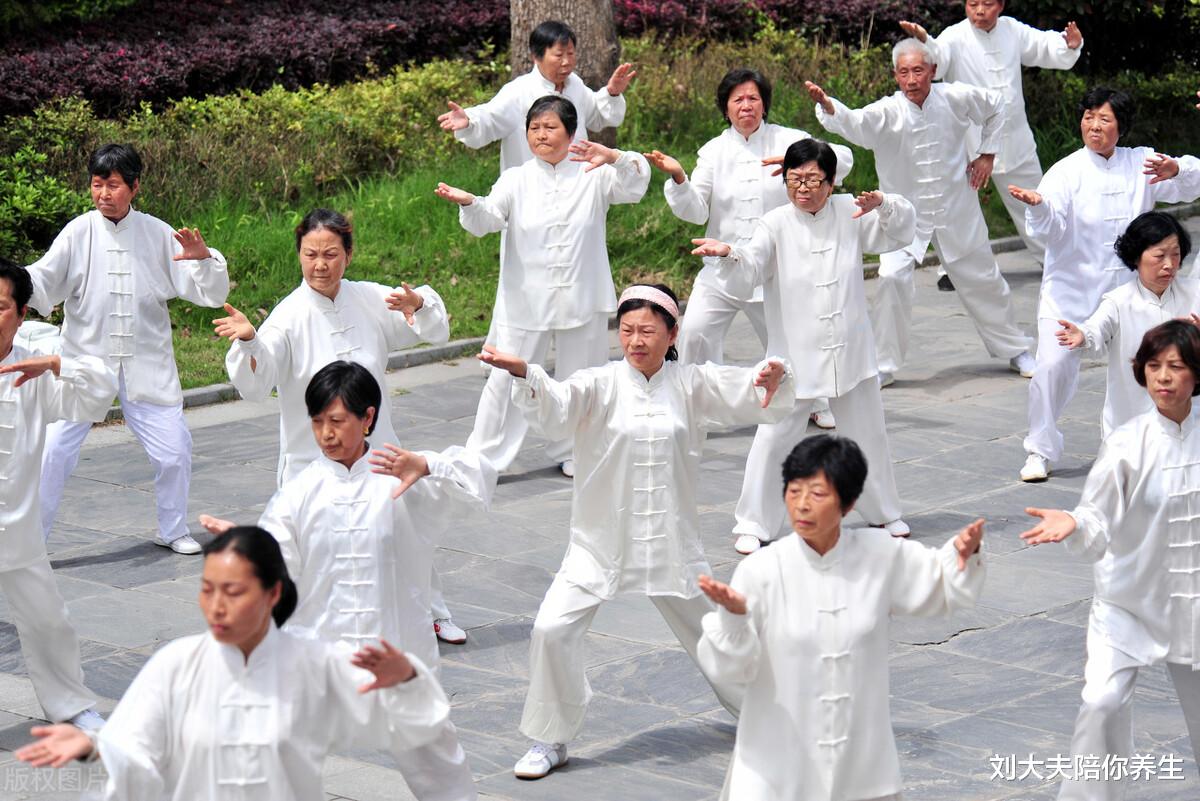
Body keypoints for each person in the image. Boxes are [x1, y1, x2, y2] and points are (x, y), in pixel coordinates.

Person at [477, 283, 794, 779]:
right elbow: (557, 408)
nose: (635, 340)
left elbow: (751, 393)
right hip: (599, 541)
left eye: (648, 330)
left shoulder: (692, 384)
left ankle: (765, 715)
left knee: (715, 630)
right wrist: (526, 373)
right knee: (551, 628)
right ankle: (549, 737)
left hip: (671, 538)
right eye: (626, 330)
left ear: (672, 334)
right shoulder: (599, 384)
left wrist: (772, 377)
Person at [200, 362, 489, 801]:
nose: (325, 435)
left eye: (336, 421)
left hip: (396, 651)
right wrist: (243, 545)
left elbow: (479, 481)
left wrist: (428, 465)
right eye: (317, 422)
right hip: (321, 658)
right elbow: (277, 558)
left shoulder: (404, 475)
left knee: (440, 766)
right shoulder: (300, 492)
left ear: (368, 417)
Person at [15, 526, 453, 799]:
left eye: (234, 591)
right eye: (208, 589)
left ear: (272, 593)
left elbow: (405, 725)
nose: (217, 606)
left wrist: (406, 679)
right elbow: (134, 750)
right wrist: (95, 748)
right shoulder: (177, 665)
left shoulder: (314, 665)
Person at [213, 209, 468, 644]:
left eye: (331, 253)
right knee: (310, 547)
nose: (320, 264)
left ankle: (431, 614)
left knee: (404, 534)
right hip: (313, 456)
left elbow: (432, 330)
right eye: (310, 254)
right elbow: (258, 379)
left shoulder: (369, 298)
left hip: (378, 449)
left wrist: (419, 304)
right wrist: (250, 341)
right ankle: (295, 627)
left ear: (348, 255)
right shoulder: (289, 315)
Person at [697, 435, 985, 801]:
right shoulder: (761, 570)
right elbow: (729, 671)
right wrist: (734, 619)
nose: (802, 505)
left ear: (847, 505)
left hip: (860, 766)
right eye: (794, 491)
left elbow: (940, 583)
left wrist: (963, 552)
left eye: (817, 495)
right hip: (776, 765)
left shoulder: (879, 555)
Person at [692, 138, 916, 553]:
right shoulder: (774, 223)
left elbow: (900, 231)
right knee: (773, 437)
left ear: (831, 183)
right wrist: (729, 253)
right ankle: (754, 522)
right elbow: (751, 263)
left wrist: (884, 204)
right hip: (793, 355)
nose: (804, 188)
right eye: (795, 179)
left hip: (851, 349)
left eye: (813, 179)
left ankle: (883, 512)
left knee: (868, 434)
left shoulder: (851, 211)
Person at [1020, 320, 1200, 800]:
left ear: (1196, 377)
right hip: (1128, 606)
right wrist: (1074, 524)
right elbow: (1096, 519)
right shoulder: (1127, 443)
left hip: (1193, 609)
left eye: (1176, 367)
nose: (1163, 377)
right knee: (1100, 705)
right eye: (1154, 366)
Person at [28, 144, 230, 554]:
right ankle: (31, 543)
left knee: (174, 451)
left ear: (134, 187)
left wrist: (204, 259)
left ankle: (172, 529)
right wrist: (12, 284)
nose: (104, 193)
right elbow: (42, 277)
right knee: (52, 453)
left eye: (114, 185)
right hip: (83, 363)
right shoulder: (78, 232)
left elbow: (208, 292)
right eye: (97, 184)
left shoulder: (157, 232)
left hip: (146, 364)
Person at [436, 95, 650, 478]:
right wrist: (469, 203)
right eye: (534, 128)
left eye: (550, 127)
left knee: (582, 377)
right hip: (526, 298)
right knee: (505, 377)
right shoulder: (516, 178)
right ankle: (483, 458)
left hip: (581, 293)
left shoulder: (593, 173)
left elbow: (637, 182)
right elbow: (488, 217)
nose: (540, 135)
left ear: (571, 133)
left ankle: (577, 449)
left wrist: (615, 156)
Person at [809, 38, 1035, 387]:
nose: (912, 80)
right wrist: (830, 107)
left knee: (982, 277)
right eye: (904, 73)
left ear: (932, 70)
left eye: (918, 70)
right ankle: (883, 364)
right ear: (896, 76)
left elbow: (996, 106)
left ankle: (1014, 348)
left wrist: (987, 152)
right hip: (901, 215)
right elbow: (855, 124)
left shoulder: (955, 97)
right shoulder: (887, 111)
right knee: (891, 279)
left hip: (956, 205)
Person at [1009, 87, 1200, 481]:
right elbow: (1051, 224)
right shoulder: (1065, 171)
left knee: (1146, 370)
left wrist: (1177, 170)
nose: (1094, 126)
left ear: (1121, 126)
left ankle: (1150, 444)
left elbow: (1191, 179)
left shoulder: (1141, 162)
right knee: (1052, 368)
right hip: (1071, 291)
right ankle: (1039, 450)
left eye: (1104, 119)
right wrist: (1039, 205)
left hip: (1130, 292)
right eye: (1088, 117)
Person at [645, 67, 852, 429]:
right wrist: (680, 178)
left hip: (775, 266)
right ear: (725, 108)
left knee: (793, 335)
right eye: (737, 99)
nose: (746, 106)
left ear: (764, 104)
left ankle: (814, 399)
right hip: (723, 267)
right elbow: (696, 211)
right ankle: (696, 400)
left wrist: (796, 161)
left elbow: (842, 161)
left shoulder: (790, 139)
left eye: (753, 98)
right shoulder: (712, 151)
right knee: (695, 330)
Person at [0, 258, 112, 733]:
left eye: (0, 306)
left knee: (49, 623)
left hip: (17, 531)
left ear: (21, 313)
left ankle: (70, 704)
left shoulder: (33, 366)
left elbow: (98, 395)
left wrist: (58, 363)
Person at [898, 2, 1084, 265]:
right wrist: (925, 40)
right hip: (969, 141)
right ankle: (953, 270)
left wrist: (1069, 44)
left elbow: (1044, 44)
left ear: (1001, 5)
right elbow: (938, 57)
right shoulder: (954, 35)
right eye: (973, 4)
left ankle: (1055, 261)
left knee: (1034, 200)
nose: (980, 10)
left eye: (987, 3)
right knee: (957, 208)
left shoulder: (1012, 29)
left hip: (1015, 138)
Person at [1056, 211, 1199, 441]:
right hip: (1131, 419)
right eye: (1160, 255)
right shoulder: (1119, 301)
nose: (1169, 265)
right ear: (1136, 257)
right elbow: (1097, 328)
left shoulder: (1194, 293)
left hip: (1188, 419)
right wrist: (1082, 335)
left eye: (1175, 255)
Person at [438, 19, 634, 173]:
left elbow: (598, 116)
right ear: (536, 56)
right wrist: (470, 121)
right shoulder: (519, 91)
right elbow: (490, 117)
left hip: (575, 184)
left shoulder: (575, 85)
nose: (566, 62)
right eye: (558, 55)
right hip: (531, 189)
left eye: (571, 53)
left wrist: (612, 93)